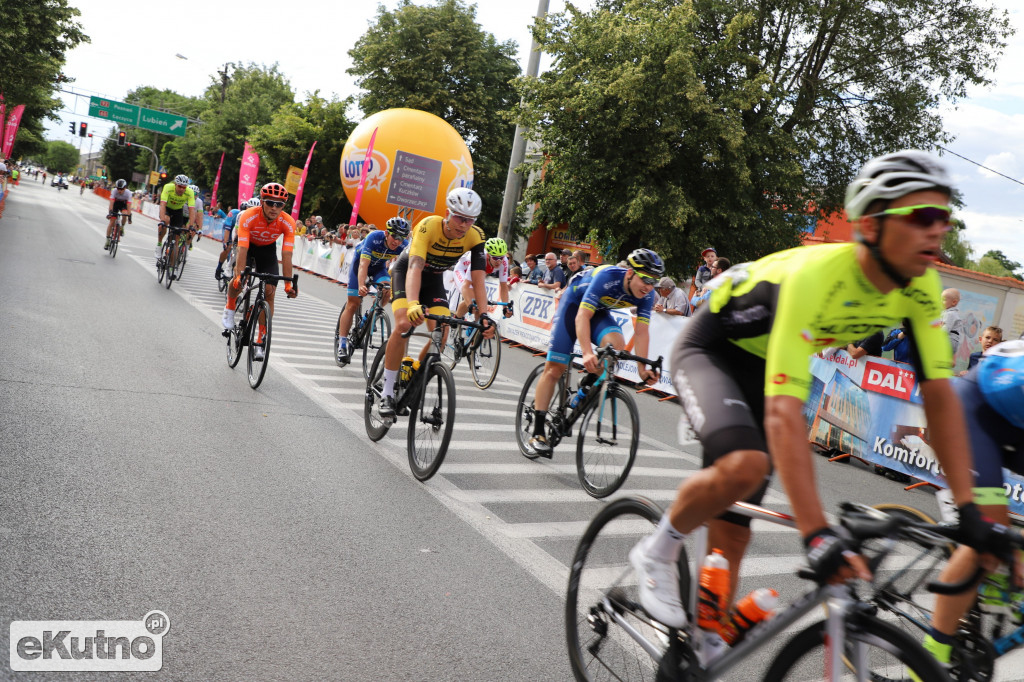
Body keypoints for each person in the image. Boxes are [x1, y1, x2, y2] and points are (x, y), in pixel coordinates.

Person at [628, 150, 994, 632]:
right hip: (714, 346)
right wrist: (816, 532)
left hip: (766, 361)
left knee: (734, 532)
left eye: (944, 219)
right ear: (872, 226)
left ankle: (705, 636)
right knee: (745, 465)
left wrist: (971, 509)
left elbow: (941, 402)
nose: (937, 231)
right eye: (923, 216)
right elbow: (784, 417)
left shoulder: (921, 284)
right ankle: (658, 549)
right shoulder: (816, 278)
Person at [918, 340, 1024, 671]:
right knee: (990, 536)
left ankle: (1001, 578)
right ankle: (929, 658)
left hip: (1009, 419)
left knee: (1004, 542)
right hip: (974, 411)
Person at [527, 249, 664, 456]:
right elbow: (582, 316)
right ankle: (537, 432)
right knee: (556, 368)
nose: (648, 286)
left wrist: (642, 370)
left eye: (654, 281)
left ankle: (585, 387)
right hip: (573, 306)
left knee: (615, 347)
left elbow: (642, 332)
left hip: (599, 312)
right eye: (645, 278)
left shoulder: (647, 294)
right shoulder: (607, 277)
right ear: (630, 273)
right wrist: (587, 352)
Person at [378, 188, 490, 417]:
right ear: (448, 213)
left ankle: (415, 375)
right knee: (403, 325)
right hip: (406, 272)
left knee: (442, 333)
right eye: (459, 217)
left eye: (469, 220)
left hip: (435, 280)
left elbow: (478, 280)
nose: (463, 224)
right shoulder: (429, 225)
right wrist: (412, 304)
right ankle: (387, 391)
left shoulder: (476, 236)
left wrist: (485, 315)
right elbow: (415, 267)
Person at [221, 183, 298, 360]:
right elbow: (242, 250)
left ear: (284, 206)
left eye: (279, 204)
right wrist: (240, 275)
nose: (274, 207)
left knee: (270, 291)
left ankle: (260, 340)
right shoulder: (248, 216)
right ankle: (230, 307)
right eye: (270, 202)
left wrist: (288, 284)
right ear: (262, 202)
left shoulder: (288, 222)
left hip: (267, 251)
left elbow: (287, 254)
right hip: (247, 247)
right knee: (238, 280)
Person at [335, 217, 411, 364]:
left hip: (379, 269)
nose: (397, 241)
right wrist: (362, 284)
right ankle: (342, 344)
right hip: (359, 267)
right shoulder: (373, 237)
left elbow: (408, 269)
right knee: (353, 303)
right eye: (394, 236)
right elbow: (363, 264)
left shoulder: (404, 246)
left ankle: (371, 315)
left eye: (401, 238)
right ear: (386, 233)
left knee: (387, 291)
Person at [453, 237, 514, 321]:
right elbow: (466, 286)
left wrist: (505, 307)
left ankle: (477, 327)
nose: (499, 261)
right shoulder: (480, 259)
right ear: (488, 255)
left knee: (481, 305)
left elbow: (503, 286)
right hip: (462, 270)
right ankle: (457, 317)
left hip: (477, 273)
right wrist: (470, 304)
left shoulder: (504, 261)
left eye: (501, 258)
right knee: (475, 300)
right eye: (495, 258)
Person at [156, 175, 196, 267]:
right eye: (180, 186)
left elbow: (191, 210)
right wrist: (162, 220)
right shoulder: (168, 187)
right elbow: (162, 204)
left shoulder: (190, 192)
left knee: (176, 241)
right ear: (175, 184)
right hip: (167, 209)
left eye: (184, 187)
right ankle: (159, 244)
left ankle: (172, 267)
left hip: (178, 211)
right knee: (166, 220)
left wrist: (190, 225)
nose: (182, 189)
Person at [104, 179, 133, 250]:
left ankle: (122, 226)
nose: (119, 191)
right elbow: (111, 203)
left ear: (125, 188)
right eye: (118, 189)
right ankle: (107, 240)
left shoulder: (128, 193)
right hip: (115, 205)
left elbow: (129, 206)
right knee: (112, 221)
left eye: (122, 189)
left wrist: (129, 217)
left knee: (124, 214)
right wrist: (110, 213)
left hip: (123, 204)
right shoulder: (114, 191)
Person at [940, 288, 965, 354]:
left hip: (949, 341)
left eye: (943, 300)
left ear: (954, 302)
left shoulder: (951, 314)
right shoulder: (947, 313)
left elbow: (945, 330)